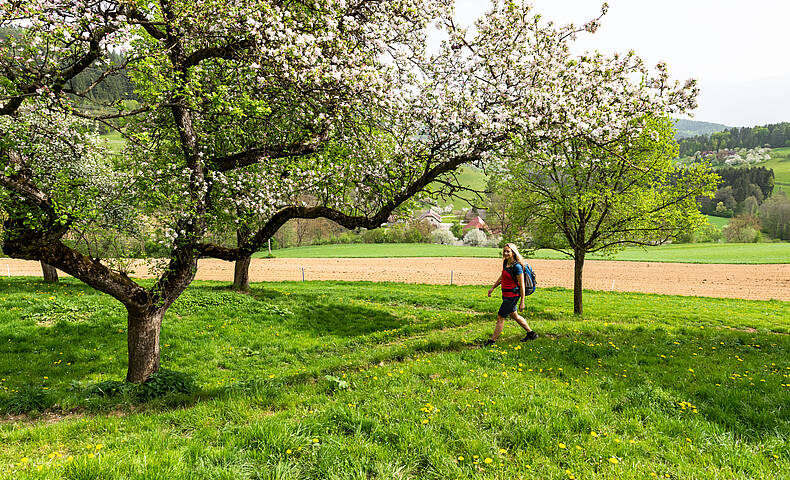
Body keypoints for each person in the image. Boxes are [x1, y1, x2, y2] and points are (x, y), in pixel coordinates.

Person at [484, 243, 537, 346]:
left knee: (500, 317)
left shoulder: (517, 267)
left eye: (508, 251)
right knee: (515, 316)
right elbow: (502, 276)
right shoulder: (505, 263)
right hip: (505, 294)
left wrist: (522, 301)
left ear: (513, 253)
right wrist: (493, 288)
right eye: (505, 251)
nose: (506, 253)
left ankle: (492, 341)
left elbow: (522, 285)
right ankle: (531, 334)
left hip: (512, 296)